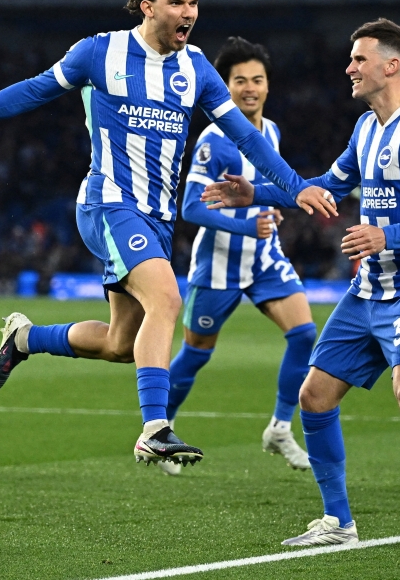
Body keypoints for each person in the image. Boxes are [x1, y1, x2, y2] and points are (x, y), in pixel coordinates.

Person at [0, 0, 334, 467]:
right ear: (147, 6)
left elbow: (249, 142)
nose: (188, 13)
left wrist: (295, 185)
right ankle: (155, 430)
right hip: (109, 204)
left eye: (193, 3)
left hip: (156, 218)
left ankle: (25, 338)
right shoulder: (99, 53)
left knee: (122, 344)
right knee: (167, 300)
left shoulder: (198, 69)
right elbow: (34, 90)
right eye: (176, 2)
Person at [201, 19, 400, 563]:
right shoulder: (366, 128)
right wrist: (254, 193)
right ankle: (338, 521)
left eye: (359, 59)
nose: (349, 68)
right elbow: (327, 188)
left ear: (391, 65)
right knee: (314, 397)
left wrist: (386, 234)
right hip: (369, 284)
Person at [159, 37, 316, 477]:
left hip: (265, 260)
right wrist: (249, 223)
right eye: (240, 80)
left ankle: (281, 428)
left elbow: (268, 191)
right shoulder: (214, 139)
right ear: (225, 86)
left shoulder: (272, 132)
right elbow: (190, 207)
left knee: (305, 335)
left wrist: (275, 214)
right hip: (219, 266)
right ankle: (160, 427)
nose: (250, 88)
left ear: (268, 85)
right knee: (195, 355)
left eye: (258, 80)